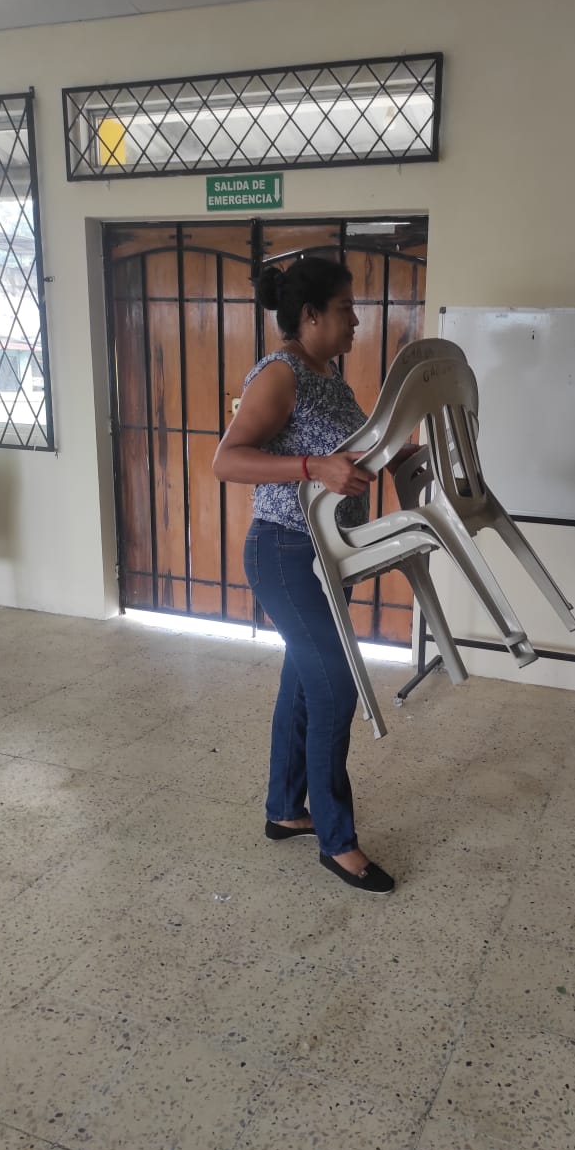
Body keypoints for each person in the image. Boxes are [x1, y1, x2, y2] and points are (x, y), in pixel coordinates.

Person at [212, 256, 400, 895]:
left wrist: (395, 453)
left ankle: (285, 809)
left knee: (302, 684)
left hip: (328, 553)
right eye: (346, 309)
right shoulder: (281, 373)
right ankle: (337, 842)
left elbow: (346, 450)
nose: (357, 321)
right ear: (311, 315)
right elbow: (227, 461)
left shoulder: (329, 376)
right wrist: (313, 468)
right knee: (336, 689)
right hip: (287, 553)